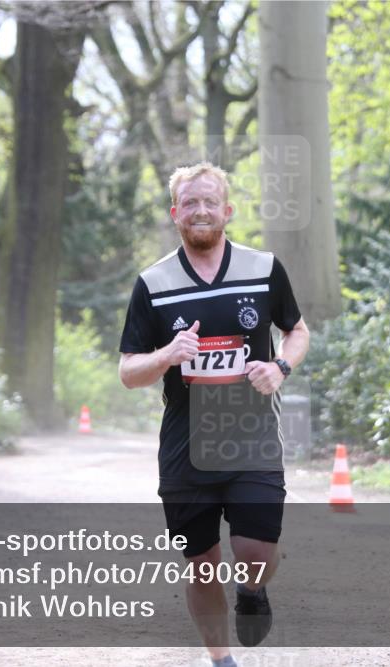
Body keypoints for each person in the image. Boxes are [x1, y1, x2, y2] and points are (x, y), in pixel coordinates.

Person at [118, 162, 310, 666]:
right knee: (200, 565)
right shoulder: (153, 283)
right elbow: (128, 371)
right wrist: (165, 356)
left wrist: (281, 367)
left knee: (255, 553)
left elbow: (298, 330)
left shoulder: (263, 268)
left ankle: (252, 591)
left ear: (227, 210)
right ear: (175, 213)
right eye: (190, 202)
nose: (200, 210)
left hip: (251, 437)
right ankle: (221, 660)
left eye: (210, 201)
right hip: (185, 445)